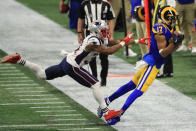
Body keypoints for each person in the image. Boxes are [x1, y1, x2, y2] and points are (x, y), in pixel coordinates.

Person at [1, 20, 147, 121]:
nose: (106, 31)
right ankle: (107, 113)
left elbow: (113, 42)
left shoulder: (96, 37)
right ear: (97, 31)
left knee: (43, 74)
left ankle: (20, 60)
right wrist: (124, 42)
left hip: (68, 61)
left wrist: (135, 41)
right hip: (73, 66)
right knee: (95, 84)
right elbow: (109, 51)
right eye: (104, 30)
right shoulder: (94, 41)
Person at [98, 6, 184, 125]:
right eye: (172, 18)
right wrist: (175, 43)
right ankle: (119, 114)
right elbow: (162, 52)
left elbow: (169, 49)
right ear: (165, 19)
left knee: (131, 85)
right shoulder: (160, 29)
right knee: (139, 90)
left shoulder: (169, 27)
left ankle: (108, 100)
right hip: (153, 63)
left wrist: (176, 44)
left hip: (154, 62)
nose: (174, 21)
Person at [77, 0, 115, 86]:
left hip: (103, 35)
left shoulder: (106, 4)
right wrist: (79, 33)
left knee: (104, 57)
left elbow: (111, 19)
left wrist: (111, 33)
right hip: (89, 35)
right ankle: (94, 77)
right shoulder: (85, 4)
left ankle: (104, 78)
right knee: (91, 57)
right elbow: (81, 18)